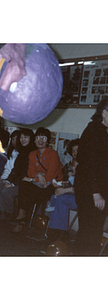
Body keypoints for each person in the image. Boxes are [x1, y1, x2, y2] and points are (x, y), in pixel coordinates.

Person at [12, 127, 63, 233]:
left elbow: (50, 176)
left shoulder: (53, 154)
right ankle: (22, 216)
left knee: (28, 191)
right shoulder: (32, 154)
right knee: (24, 185)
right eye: (38, 137)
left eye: (44, 138)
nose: (40, 140)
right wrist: (38, 176)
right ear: (34, 140)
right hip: (38, 184)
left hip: (52, 185)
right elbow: (30, 172)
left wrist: (33, 179)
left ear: (48, 141)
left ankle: (22, 220)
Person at [74, 99, 108, 255]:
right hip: (92, 192)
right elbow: (90, 164)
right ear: (104, 112)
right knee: (90, 235)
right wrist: (96, 193)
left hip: (89, 190)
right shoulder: (96, 132)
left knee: (88, 233)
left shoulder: (96, 130)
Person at [0, 128, 35, 219]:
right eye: (21, 137)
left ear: (31, 138)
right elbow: (15, 170)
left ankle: (11, 214)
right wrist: (8, 181)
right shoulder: (21, 152)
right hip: (16, 181)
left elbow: (25, 173)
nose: (23, 139)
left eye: (25, 137)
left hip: (26, 184)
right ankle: (3, 212)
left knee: (6, 191)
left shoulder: (32, 153)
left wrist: (12, 184)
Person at [46, 159, 78, 240]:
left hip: (81, 199)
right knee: (54, 197)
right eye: (74, 166)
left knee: (62, 199)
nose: (75, 168)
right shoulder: (74, 175)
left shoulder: (80, 175)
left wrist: (64, 190)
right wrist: (63, 185)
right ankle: (53, 227)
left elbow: (79, 189)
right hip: (73, 196)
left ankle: (61, 231)